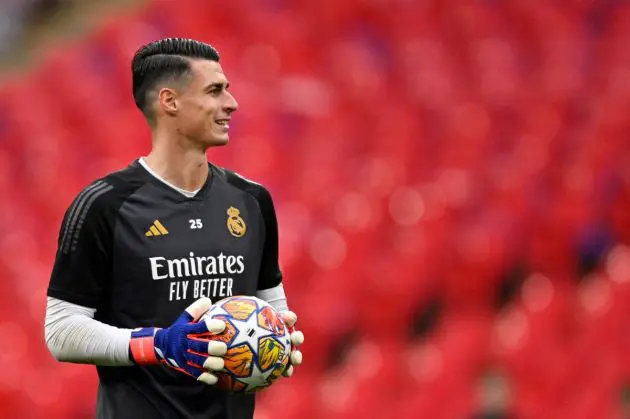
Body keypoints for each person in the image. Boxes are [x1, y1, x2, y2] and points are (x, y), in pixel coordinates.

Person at [44, 37, 304, 419]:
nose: (231, 103)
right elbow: (61, 331)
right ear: (170, 102)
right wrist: (158, 343)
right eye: (215, 90)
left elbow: (270, 299)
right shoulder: (104, 205)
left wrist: (279, 337)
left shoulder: (252, 200)